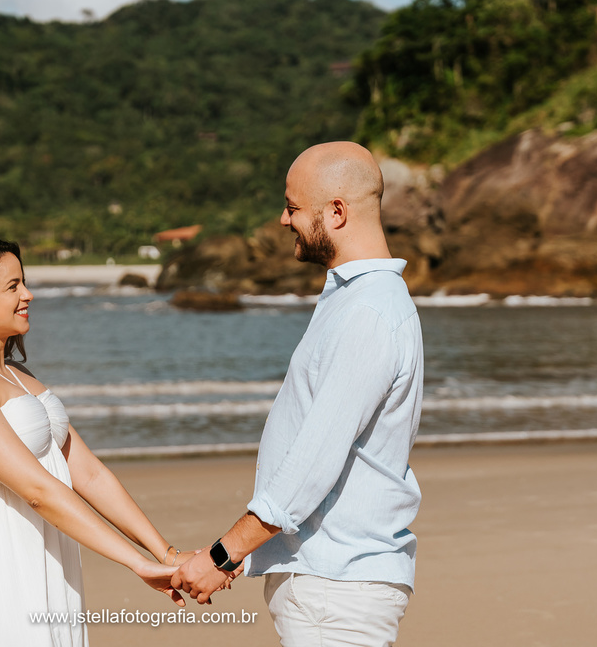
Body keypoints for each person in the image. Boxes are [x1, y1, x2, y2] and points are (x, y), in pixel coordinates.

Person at [172, 142, 424, 647]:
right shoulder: (356, 300)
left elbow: (313, 462)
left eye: (292, 208)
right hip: (331, 583)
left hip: (336, 589)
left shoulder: (368, 312)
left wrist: (222, 556)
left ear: (336, 212)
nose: (283, 220)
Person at [0, 234, 187, 646]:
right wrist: (136, 563)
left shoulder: (21, 377)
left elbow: (90, 474)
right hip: (1, 562)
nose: (27, 295)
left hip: (49, 554)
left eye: (24, 283)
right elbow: (37, 491)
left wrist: (166, 553)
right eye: (12, 286)